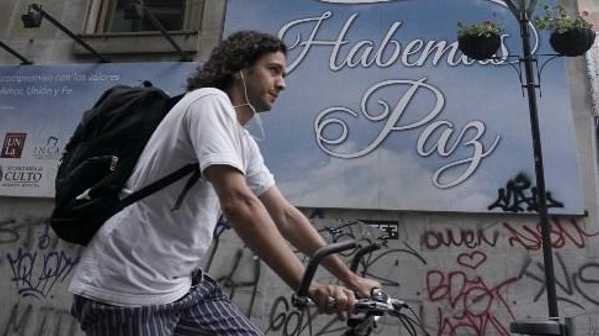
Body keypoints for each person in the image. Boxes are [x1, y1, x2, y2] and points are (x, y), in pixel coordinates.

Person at [68, 30, 379, 335]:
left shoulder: (242, 142)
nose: (282, 84)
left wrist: (352, 279)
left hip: (182, 289)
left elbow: (285, 215)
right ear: (239, 69)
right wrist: (307, 285)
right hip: (126, 294)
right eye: (273, 71)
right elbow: (239, 203)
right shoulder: (209, 102)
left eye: (283, 74)